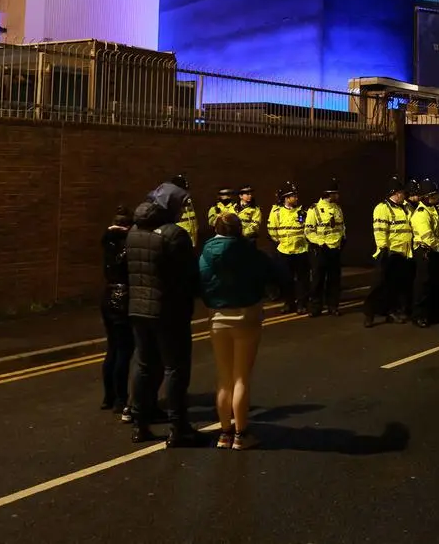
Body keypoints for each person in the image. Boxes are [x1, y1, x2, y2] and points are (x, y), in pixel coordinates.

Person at [126, 179, 200, 446]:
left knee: (144, 366)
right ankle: (178, 428)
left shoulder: (133, 230)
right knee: (175, 369)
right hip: (169, 312)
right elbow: (190, 275)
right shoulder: (174, 234)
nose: (182, 210)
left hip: (137, 309)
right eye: (180, 205)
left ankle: (139, 424)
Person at [199, 212, 271, 451]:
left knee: (223, 378)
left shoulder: (206, 253)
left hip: (217, 318)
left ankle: (224, 433)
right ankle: (241, 434)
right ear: (239, 229)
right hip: (246, 317)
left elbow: (200, 281)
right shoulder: (249, 251)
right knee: (241, 378)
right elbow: (267, 273)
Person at [100, 206, 134, 420]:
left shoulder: (107, 242)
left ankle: (108, 396)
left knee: (112, 348)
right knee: (124, 350)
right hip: (123, 297)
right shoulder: (125, 245)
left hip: (107, 296)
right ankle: (121, 399)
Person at [365, 177, 413, 327]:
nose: (404, 196)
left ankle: (393, 311)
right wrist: (383, 248)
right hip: (389, 253)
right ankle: (369, 314)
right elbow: (380, 230)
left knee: (396, 286)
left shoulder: (405, 207)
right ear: (395, 193)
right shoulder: (382, 208)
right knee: (379, 285)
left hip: (403, 253)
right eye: (402, 193)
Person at [268, 184, 311, 314]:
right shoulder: (277, 213)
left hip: (301, 250)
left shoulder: (303, 211)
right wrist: (281, 241)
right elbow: (272, 231)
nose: (296, 198)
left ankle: (302, 304)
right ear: (286, 198)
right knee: (287, 279)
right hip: (285, 251)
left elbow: (308, 228)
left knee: (303, 280)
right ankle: (289, 303)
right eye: (293, 196)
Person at [305, 180, 345, 316]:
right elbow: (309, 230)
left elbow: (341, 227)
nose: (338, 196)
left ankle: (333, 306)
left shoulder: (338, 209)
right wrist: (320, 243)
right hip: (320, 249)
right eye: (336, 193)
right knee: (318, 280)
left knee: (334, 279)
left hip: (335, 248)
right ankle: (315, 307)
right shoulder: (314, 209)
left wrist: (341, 240)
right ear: (329, 194)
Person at [410, 179, 439, 328]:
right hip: (425, 252)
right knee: (423, 284)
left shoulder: (433, 210)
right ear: (425, 197)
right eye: (433, 195)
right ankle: (419, 315)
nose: (436, 197)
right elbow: (428, 237)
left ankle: (433, 313)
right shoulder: (421, 214)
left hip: (434, 251)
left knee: (435, 283)